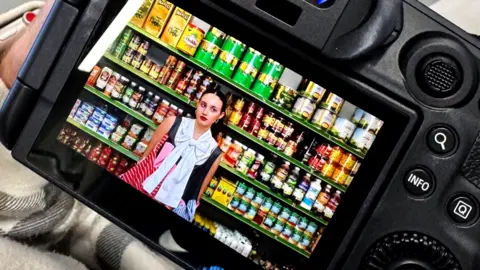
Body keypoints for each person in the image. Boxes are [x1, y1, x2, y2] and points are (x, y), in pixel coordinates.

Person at [121, 88, 226, 222]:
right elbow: (144, 158)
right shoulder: (173, 123)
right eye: (203, 105)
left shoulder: (214, 153)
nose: (205, 112)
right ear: (197, 104)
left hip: (169, 207)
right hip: (140, 186)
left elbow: (196, 194)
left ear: (220, 115)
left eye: (213, 109)